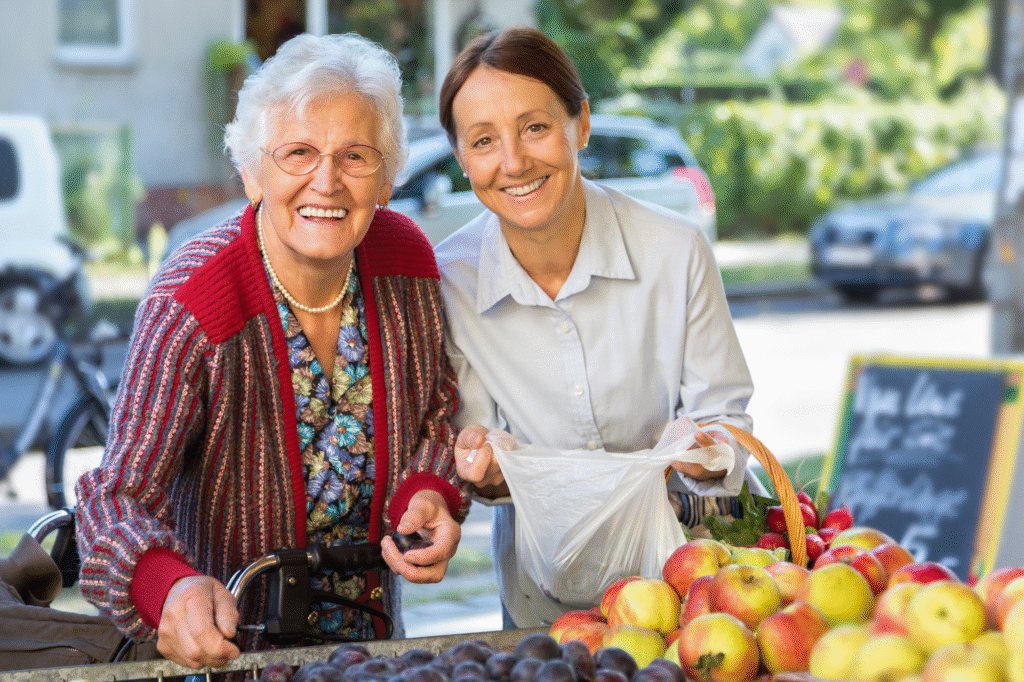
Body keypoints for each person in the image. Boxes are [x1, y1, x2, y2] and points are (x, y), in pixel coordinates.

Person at [75, 32, 469, 669]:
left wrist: (427, 491)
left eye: (356, 156)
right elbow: (113, 497)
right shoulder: (193, 301)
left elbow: (435, 413)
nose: (327, 181)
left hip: (373, 650)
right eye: (298, 153)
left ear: (389, 175)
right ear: (252, 173)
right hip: (227, 656)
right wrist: (166, 587)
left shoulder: (406, 265)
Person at [433, 27, 767, 629]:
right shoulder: (453, 280)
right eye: (484, 141)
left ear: (580, 124)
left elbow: (728, 426)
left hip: (687, 593)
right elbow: (479, 448)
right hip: (542, 603)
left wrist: (700, 451)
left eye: (536, 127)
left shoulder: (675, 250)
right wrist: (483, 470)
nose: (514, 162)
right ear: (462, 159)